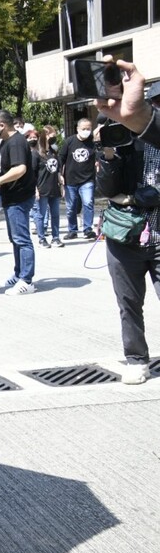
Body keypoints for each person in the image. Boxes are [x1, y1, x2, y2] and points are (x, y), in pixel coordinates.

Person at [95, 59, 160, 385]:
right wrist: (107, 155)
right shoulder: (122, 139)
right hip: (126, 237)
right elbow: (107, 190)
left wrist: (135, 198)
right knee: (128, 304)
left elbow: (152, 192)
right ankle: (136, 359)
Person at [0, 109, 37, 295]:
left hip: (19, 197)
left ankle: (27, 280)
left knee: (22, 240)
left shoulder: (16, 142)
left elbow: (20, 169)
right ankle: (18, 274)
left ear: (2, 125)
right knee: (15, 239)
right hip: (11, 198)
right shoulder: (5, 142)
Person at [59, 118, 97, 240]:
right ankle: (72, 230)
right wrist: (59, 175)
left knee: (88, 203)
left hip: (87, 180)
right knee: (71, 207)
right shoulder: (69, 142)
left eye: (89, 129)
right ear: (78, 129)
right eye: (84, 129)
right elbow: (61, 159)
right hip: (70, 180)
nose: (86, 131)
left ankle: (88, 229)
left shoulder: (93, 143)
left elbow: (99, 157)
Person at [34, 125, 64, 249]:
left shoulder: (54, 151)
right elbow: (33, 172)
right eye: (51, 136)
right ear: (44, 136)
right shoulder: (36, 154)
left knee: (55, 214)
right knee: (41, 214)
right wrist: (35, 189)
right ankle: (42, 238)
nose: (53, 138)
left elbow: (57, 169)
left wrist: (61, 182)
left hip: (54, 187)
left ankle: (56, 237)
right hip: (42, 188)